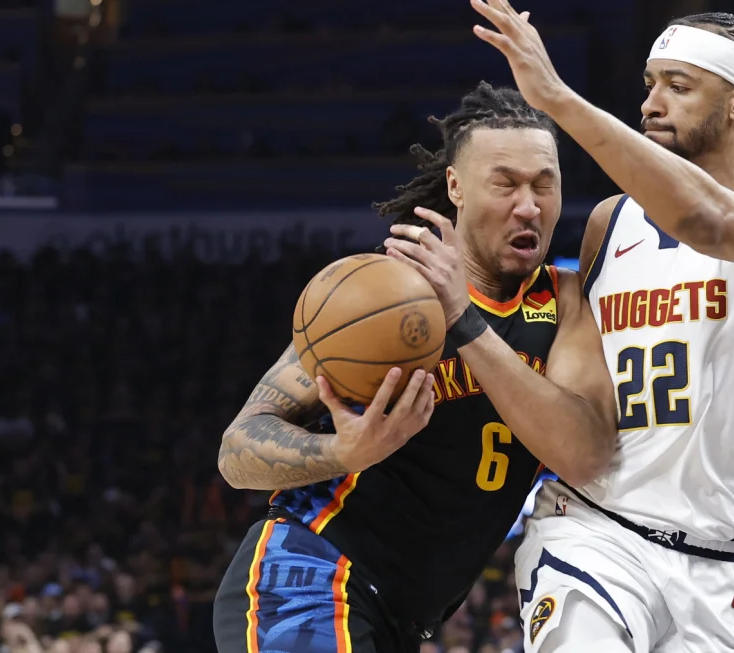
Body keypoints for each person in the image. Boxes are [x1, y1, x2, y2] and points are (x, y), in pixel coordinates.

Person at [472, 4, 734, 651]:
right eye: (649, 83)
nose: (651, 103)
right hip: (592, 528)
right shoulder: (608, 224)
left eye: (678, 86)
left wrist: (557, 99)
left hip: (719, 562)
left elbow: (709, 223)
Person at [211, 83, 617, 653]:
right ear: (455, 186)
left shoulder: (567, 302)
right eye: (505, 183)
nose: (529, 205)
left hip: (403, 617)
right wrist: (343, 453)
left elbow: (586, 453)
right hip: (310, 575)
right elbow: (237, 451)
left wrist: (466, 321)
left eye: (543, 184)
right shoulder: (388, 291)